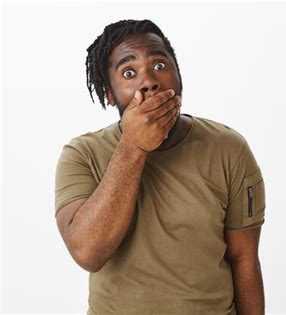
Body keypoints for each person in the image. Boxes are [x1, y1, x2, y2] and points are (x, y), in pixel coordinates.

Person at [54, 19, 266, 314]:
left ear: (179, 77)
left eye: (160, 66)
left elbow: (244, 258)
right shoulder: (81, 154)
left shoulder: (229, 149)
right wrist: (133, 147)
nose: (149, 81)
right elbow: (88, 252)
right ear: (109, 94)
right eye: (129, 72)